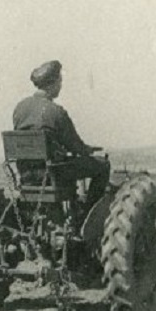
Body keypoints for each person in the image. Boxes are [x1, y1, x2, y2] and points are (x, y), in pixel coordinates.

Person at [11, 60, 110, 209]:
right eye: (60, 82)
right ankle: (89, 211)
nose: (61, 86)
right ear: (53, 83)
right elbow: (75, 146)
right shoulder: (56, 112)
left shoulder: (19, 108)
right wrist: (87, 150)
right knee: (103, 165)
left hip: (26, 175)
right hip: (53, 175)